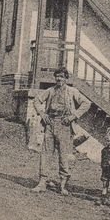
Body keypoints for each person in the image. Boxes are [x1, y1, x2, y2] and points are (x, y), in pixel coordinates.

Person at [31, 67, 91, 195]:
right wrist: (42, 114)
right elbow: (36, 100)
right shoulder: (50, 90)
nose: (59, 79)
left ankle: (63, 185)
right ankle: (42, 182)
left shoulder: (72, 91)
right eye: (57, 76)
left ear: (66, 78)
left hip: (64, 125)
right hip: (50, 123)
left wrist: (73, 116)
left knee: (63, 156)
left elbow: (86, 103)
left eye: (62, 77)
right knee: (46, 153)